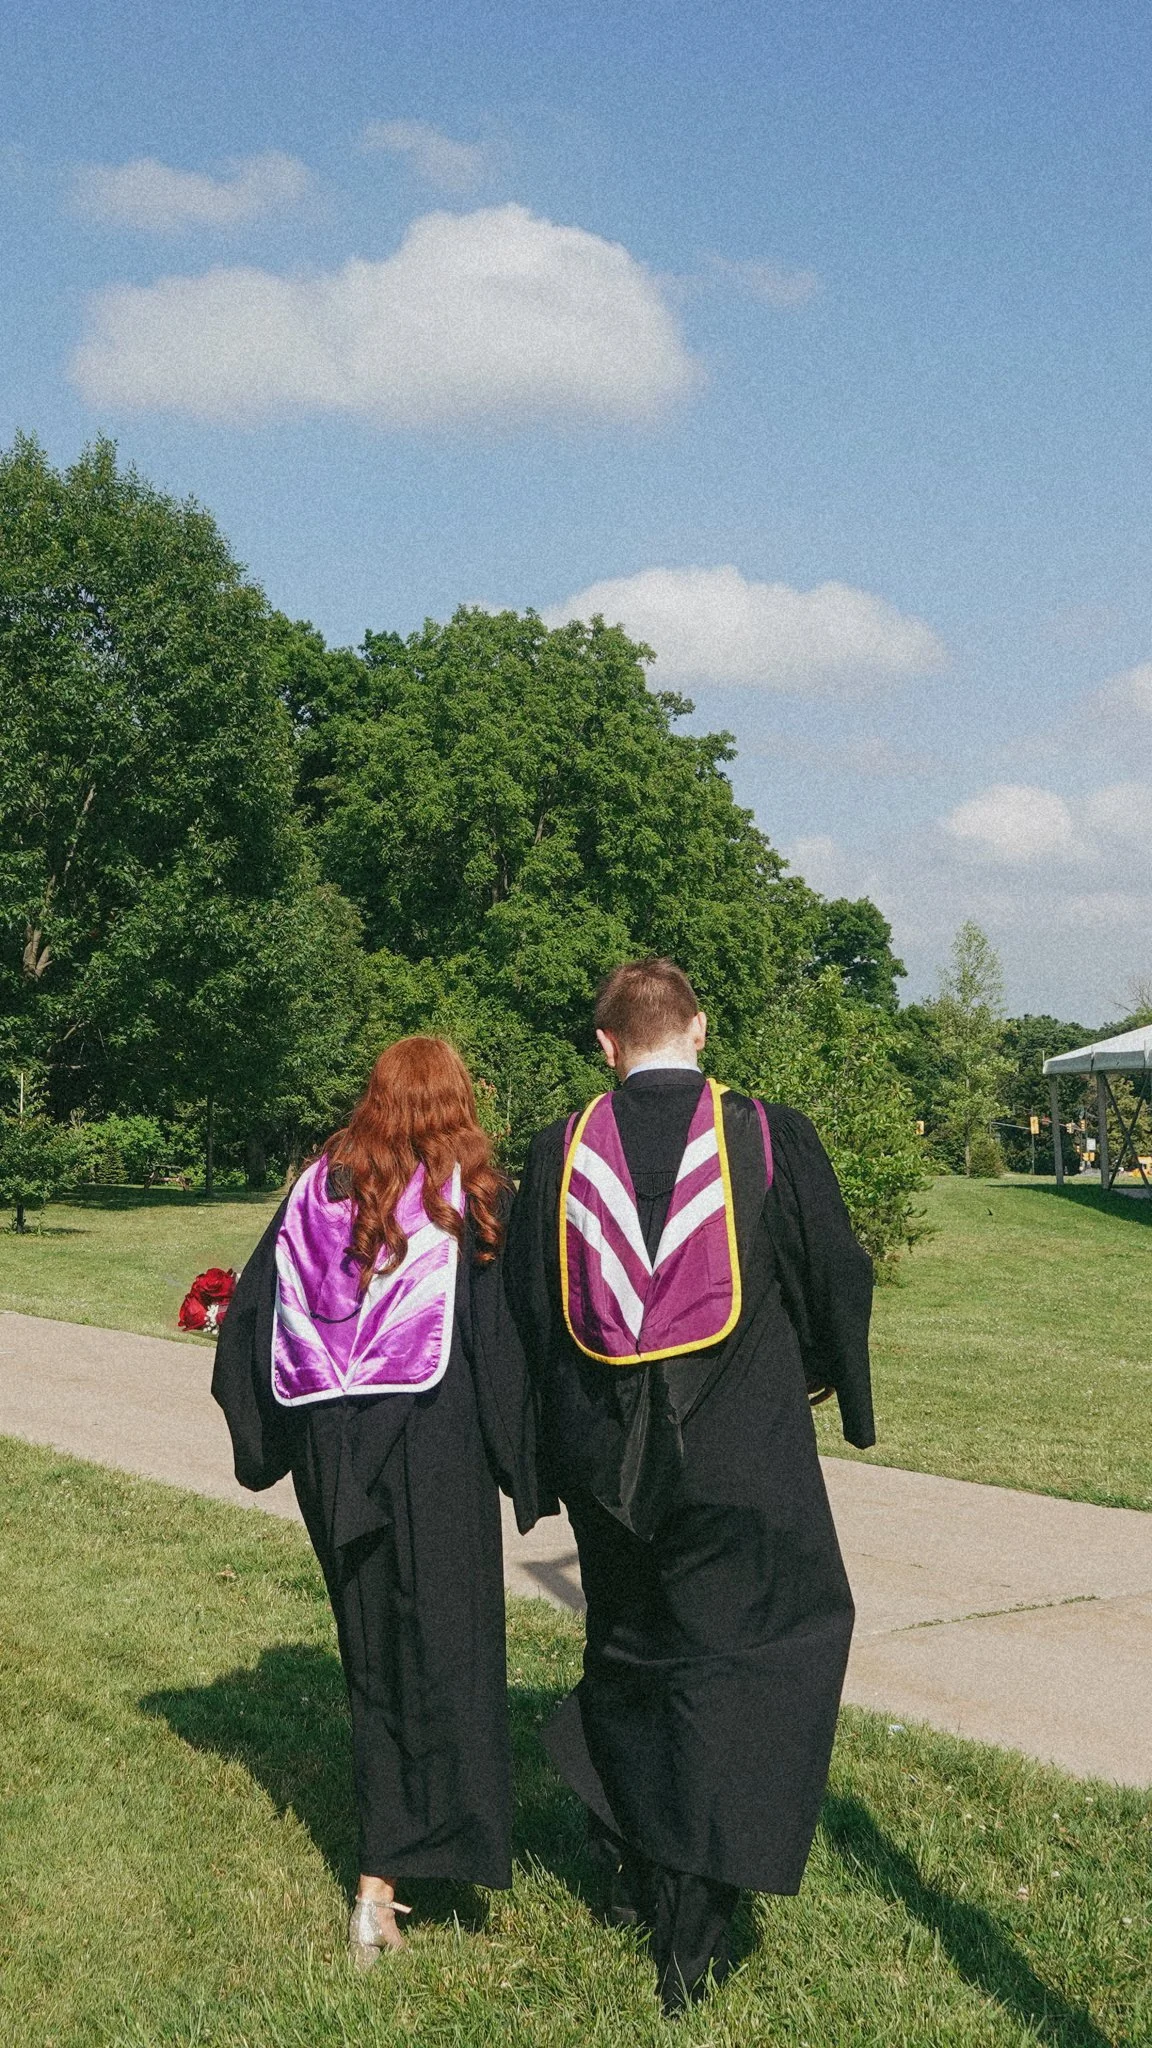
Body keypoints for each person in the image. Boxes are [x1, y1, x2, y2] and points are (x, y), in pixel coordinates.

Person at [505, 958, 874, 2016]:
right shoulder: (766, 1134)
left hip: (602, 1462)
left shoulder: (561, 1150)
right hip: (742, 1449)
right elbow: (832, 1272)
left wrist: (548, 1456)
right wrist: (823, 1382)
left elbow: (533, 1312)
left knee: (629, 1646)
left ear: (605, 1045)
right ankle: (694, 1927)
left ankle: (627, 1851)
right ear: (699, 1029)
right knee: (749, 1657)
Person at [212, 1037, 541, 1969]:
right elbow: (507, 1344)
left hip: (333, 1456)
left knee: (373, 1655)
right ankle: (420, 1860)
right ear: (456, 1105)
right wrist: (528, 1459)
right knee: (449, 1643)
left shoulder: (315, 1192)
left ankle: (380, 1884)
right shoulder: (473, 1199)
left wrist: (268, 1446)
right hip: (435, 1450)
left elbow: (250, 1322)